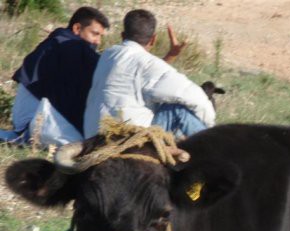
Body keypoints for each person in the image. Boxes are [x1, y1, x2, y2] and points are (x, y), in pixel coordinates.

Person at [84, 9, 215, 139]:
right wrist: (210, 126)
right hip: (128, 139)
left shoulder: (107, 55)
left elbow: (140, 77)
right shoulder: (148, 65)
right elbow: (195, 98)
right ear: (153, 40)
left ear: (122, 36)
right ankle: (216, 152)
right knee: (176, 109)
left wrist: (170, 55)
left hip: (93, 135)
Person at [0, 6, 110, 144]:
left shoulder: (58, 41)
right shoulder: (72, 48)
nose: (98, 41)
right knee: (82, 145)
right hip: (34, 122)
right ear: (77, 28)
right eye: (94, 34)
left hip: (25, 120)